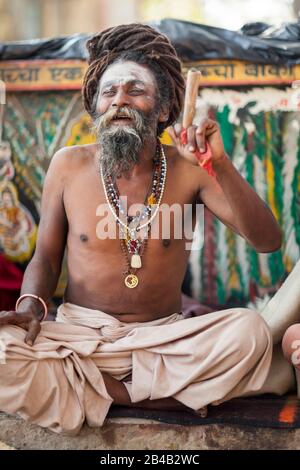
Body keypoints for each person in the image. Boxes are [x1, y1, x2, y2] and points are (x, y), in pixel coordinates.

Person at [0, 23, 292, 435]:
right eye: (109, 92)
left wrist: (219, 164)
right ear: (95, 105)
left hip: (164, 341)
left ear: (164, 108)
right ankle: (159, 397)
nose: (120, 101)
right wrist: (30, 308)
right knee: (1, 353)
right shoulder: (68, 165)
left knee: (251, 333)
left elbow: (268, 241)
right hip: (80, 339)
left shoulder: (192, 167)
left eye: (135, 91)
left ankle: (103, 394)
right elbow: (45, 258)